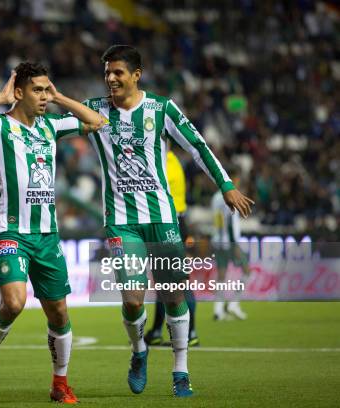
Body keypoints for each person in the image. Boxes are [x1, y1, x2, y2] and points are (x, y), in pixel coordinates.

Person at [82, 45, 254, 397]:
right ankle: (139, 352)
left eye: (117, 72)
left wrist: (226, 185)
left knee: (173, 293)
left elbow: (198, 146)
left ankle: (180, 371)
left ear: (136, 75)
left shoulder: (161, 109)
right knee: (132, 298)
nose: (110, 78)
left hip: (162, 218)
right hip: (121, 222)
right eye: (106, 72)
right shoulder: (94, 111)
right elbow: (54, 125)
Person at [0, 62, 106, 404]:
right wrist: (1, 95)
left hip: (47, 235)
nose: (44, 96)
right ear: (21, 91)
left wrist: (59, 97)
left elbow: (97, 121)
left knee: (58, 312)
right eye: (38, 90)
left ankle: (60, 383)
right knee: (14, 302)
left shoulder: (51, 126)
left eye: (46, 89)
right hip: (10, 231)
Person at [145, 143, 200, 347]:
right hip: (178, 221)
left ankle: (190, 331)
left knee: (178, 283)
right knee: (165, 283)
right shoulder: (173, 160)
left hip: (170, 223)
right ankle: (157, 331)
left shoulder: (164, 162)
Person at [211, 167, 250, 320]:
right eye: (237, 179)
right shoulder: (230, 196)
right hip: (229, 241)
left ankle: (218, 309)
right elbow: (229, 222)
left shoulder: (215, 197)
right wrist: (235, 244)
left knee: (221, 274)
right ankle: (233, 303)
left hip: (217, 240)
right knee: (247, 271)